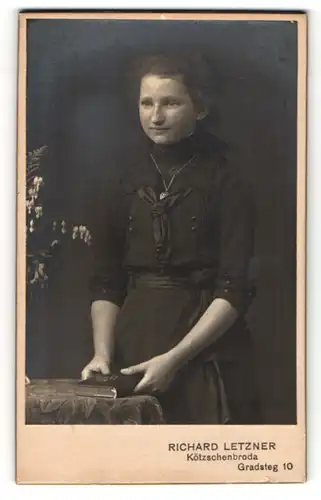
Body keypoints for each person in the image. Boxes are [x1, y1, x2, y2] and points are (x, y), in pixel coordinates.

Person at [81, 53, 260, 424]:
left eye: (171, 103)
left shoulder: (228, 178)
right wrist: (103, 354)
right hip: (133, 346)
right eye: (146, 103)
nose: (156, 116)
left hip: (204, 348)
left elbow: (234, 288)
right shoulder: (121, 179)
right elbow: (106, 282)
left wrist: (175, 359)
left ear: (202, 107)